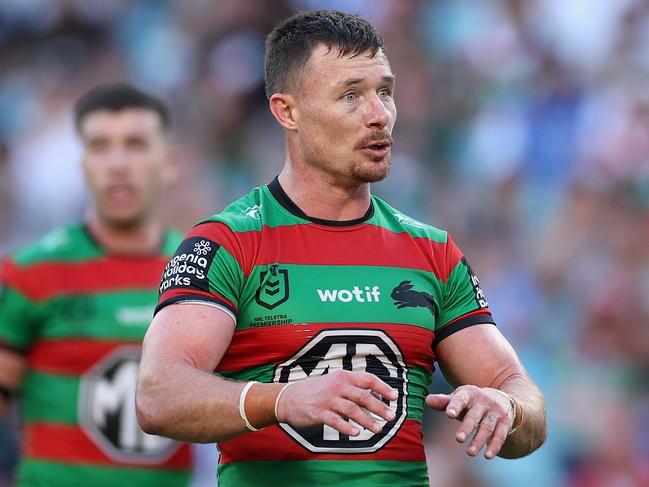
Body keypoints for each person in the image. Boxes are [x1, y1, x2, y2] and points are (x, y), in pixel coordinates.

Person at [136, 9, 547, 486]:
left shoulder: (432, 253)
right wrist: (284, 400)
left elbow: (527, 407)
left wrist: (508, 408)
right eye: (351, 96)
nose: (379, 115)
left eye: (385, 92)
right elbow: (157, 395)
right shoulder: (227, 244)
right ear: (287, 112)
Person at [0, 84, 195, 486]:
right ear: (82, 163)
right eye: (100, 146)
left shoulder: (207, 274)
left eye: (136, 144)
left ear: (171, 163)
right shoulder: (29, 274)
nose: (117, 163)